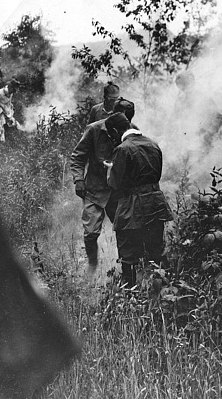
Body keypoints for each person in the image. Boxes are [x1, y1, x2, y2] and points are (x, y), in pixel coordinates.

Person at [104, 112, 174, 287]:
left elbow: (115, 184)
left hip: (132, 206)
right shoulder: (153, 144)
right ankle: (160, 293)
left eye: (110, 134)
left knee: (128, 255)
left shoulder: (122, 149)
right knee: (155, 251)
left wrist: (110, 170)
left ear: (114, 131)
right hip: (156, 203)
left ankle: (130, 294)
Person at [70, 99, 135, 271]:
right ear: (113, 114)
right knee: (91, 233)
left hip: (117, 192)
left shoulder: (133, 131)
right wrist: (79, 180)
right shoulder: (94, 129)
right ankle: (92, 265)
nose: (125, 126)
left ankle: (126, 270)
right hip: (94, 189)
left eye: (128, 121)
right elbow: (78, 157)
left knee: (124, 231)